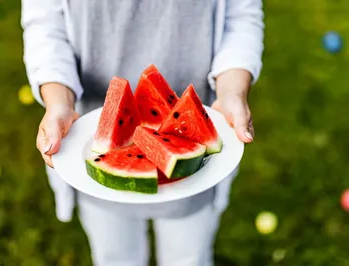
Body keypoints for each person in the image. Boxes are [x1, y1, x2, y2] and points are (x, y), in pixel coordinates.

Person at [21, 0, 264, 265]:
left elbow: (240, 17)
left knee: (189, 256)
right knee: (114, 255)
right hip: (89, 136)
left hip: (194, 156)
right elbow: (46, 25)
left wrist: (232, 92)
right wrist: (59, 102)